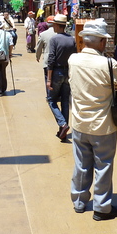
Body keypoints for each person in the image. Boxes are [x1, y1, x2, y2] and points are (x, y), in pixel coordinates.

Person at [68, 18, 117, 221]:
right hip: (103, 125)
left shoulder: (73, 60)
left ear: (84, 41)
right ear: (101, 42)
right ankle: (102, 207)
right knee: (104, 165)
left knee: (82, 164)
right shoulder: (110, 64)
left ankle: (80, 202)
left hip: (79, 123)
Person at [46, 14, 77, 142]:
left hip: (57, 72)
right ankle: (62, 131)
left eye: (53, 24)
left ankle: (63, 124)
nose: (52, 26)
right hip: (68, 72)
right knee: (65, 101)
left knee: (51, 100)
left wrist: (48, 79)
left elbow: (51, 59)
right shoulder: (72, 39)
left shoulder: (54, 39)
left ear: (57, 25)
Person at [35, 15, 56, 100]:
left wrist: (38, 56)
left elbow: (39, 47)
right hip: (60, 61)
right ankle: (57, 95)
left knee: (48, 78)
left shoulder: (43, 34)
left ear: (47, 24)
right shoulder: (61, 34)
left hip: (47, 61)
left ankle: (49, 95)